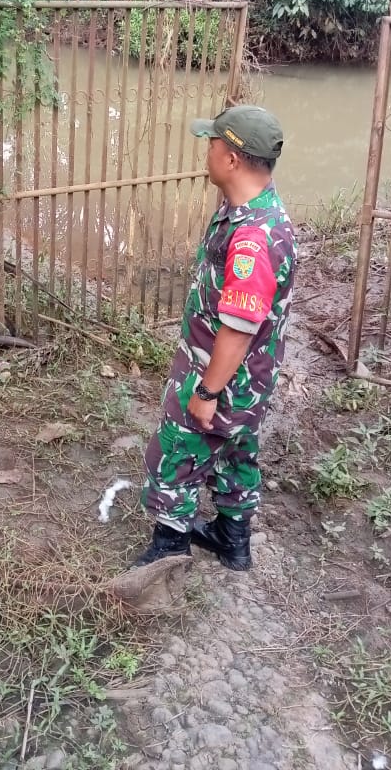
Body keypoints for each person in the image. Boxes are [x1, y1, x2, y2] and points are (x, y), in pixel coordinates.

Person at [134, 104, 297, 570]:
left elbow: (239, 329)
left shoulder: (252, 238)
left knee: (175, 450)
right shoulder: (250, 211)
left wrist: (206, 392)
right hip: (248, 381)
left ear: (231, 159)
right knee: (236, 450)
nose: (206, 152)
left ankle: (169, 550)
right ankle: (231, 538)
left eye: (212, 144)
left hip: (222, 374)